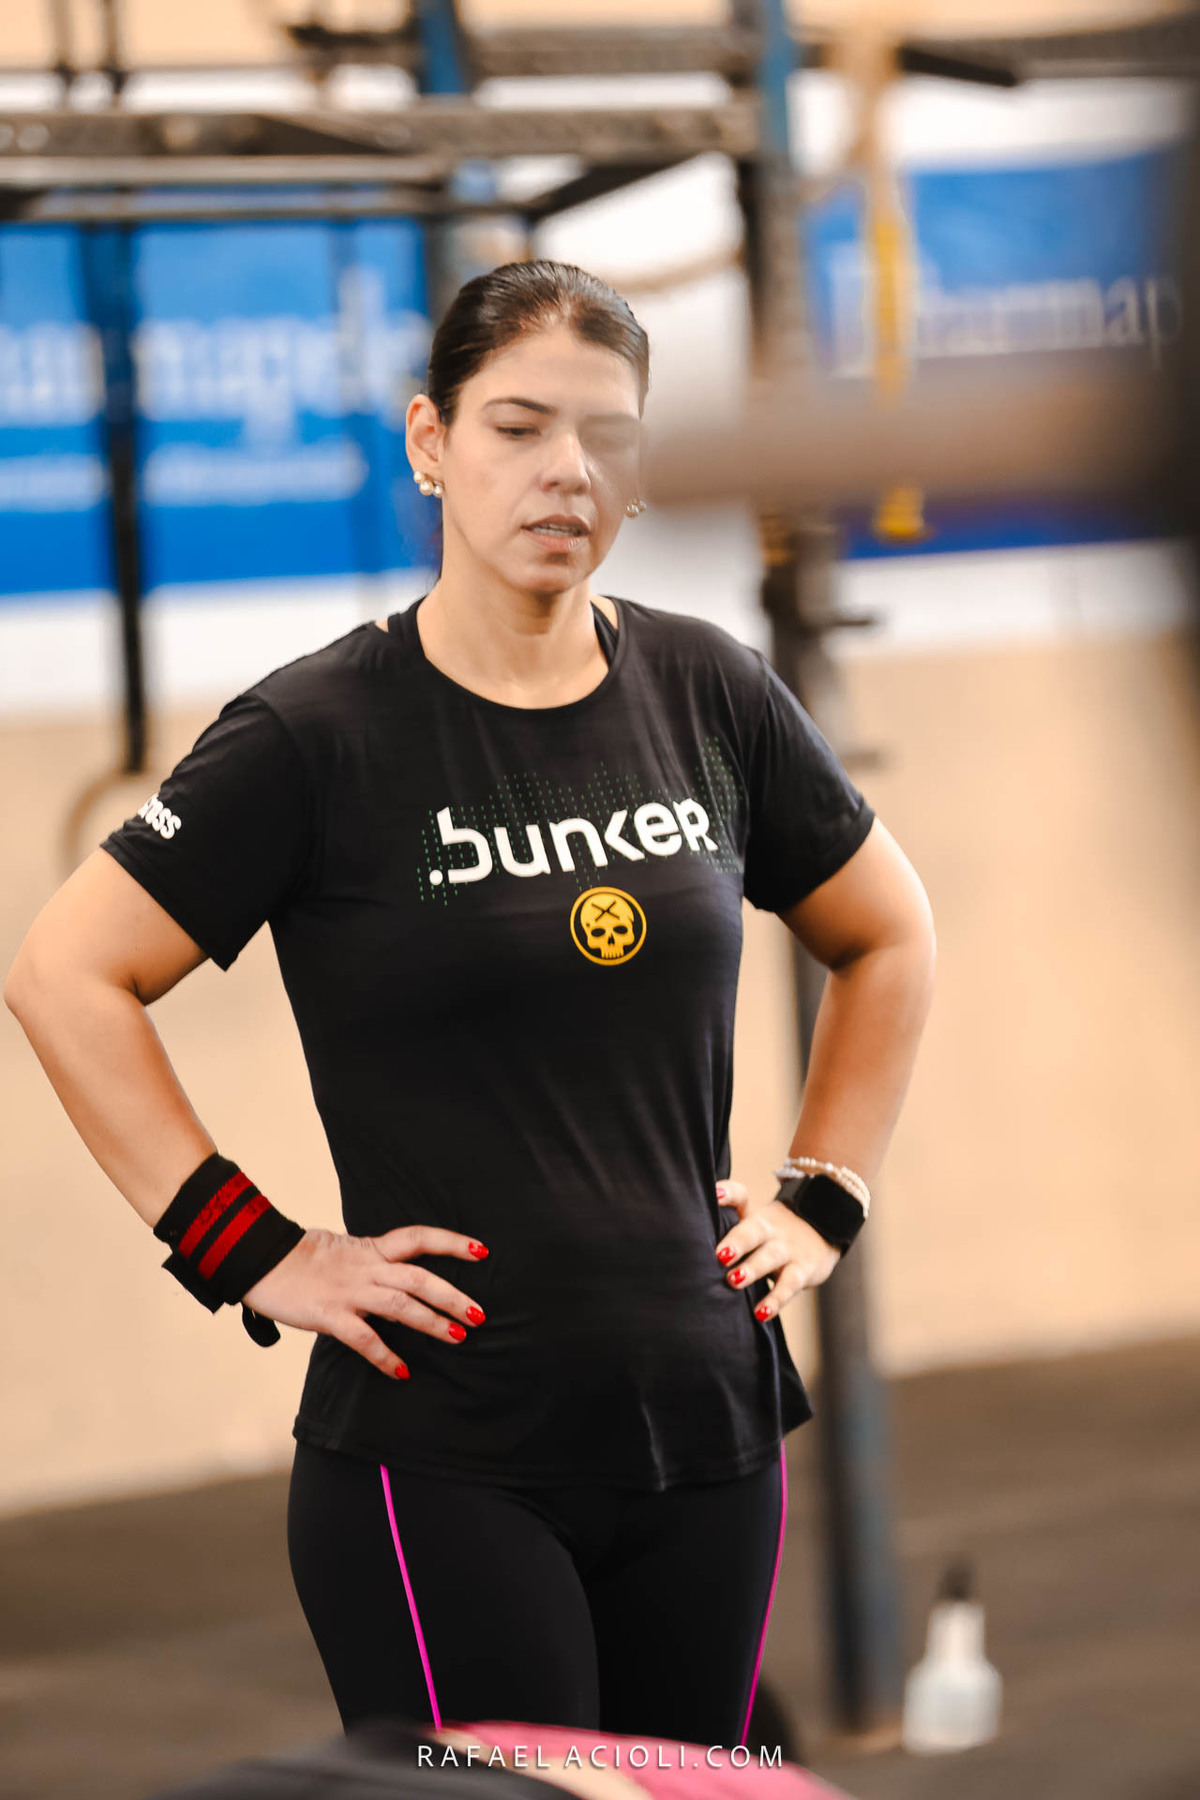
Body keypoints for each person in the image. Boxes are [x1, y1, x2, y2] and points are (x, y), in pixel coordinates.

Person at [4, 261, 936, 1751]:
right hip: (444, 1449)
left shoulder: (711, 692)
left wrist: (827, 1193)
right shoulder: (318, 733)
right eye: (518, 427)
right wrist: (251, 1250)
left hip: (706, 1423)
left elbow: (888, 932)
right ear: (431, 442)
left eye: (607, 435)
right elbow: (63, 972)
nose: (567, 470)